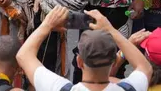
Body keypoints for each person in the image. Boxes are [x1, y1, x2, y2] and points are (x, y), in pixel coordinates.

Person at [19, 6, 152, 91]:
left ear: (79, 61)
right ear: (113, 61)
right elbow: (144, 67)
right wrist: (111, 30)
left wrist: (46, 25)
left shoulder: (59, 88)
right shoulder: (129, 88)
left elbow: (24, 55)